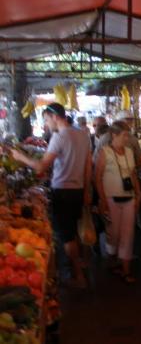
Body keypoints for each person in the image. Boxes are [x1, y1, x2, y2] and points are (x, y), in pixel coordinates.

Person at [12, 102, 92, 288]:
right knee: (74, 230)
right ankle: (81, 265)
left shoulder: (59, 137)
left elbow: (41, 167)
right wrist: (87, 189)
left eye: (47, 120)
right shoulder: (83, 134)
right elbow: (88, 165)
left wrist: (20, 157)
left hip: (62, 191)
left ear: (55, 117)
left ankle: (78, 276)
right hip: (78, 190)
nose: (46, 124)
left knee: (66, 235)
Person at [94, 121, 141, 283]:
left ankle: (126, 270)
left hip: (129, 198)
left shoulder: (129, 152)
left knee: (128, 234)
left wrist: (138, 193)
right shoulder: (104, 152)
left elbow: (133, 174)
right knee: (113, 233)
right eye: (124, 135)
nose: (127, 139)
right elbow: (97, 177)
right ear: (114, 135)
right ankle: (112, 259)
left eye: (128, 135)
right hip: (111, 199)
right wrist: (102, 199)